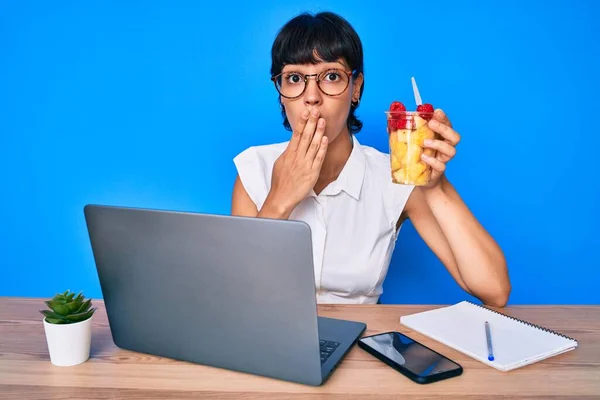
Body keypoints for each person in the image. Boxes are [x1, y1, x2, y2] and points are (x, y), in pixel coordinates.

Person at [231, 11, 511, 307]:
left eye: (331, 76)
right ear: (281, 92)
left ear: (356, 88)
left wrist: (436, 187)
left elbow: (493, 289)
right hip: (276, 347)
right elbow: (236, 302)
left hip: (365, 346)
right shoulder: (254, 169)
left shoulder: (395, 176)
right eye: (295, 78)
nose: (311, 96)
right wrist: (278, 201)